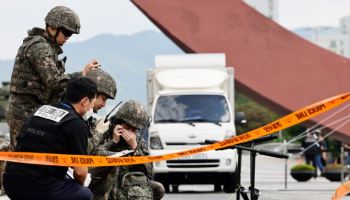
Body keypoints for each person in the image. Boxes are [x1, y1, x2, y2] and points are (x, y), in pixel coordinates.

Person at [6, 5, 100, 151]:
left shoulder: (47, 48)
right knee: (21, 154)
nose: (67, 38)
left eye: (71, 34)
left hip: (36, 110)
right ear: (53, 27)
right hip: (24, 110)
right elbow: (55, 81)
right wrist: (82, 74)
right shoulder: (40, 47)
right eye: (67, 32)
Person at [3, 77, 97, 200]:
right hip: (38, 187)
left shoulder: (41, 110)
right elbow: (80, 172)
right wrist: (78, 187)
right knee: (85, 194)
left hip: (11, 182)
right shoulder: (77, 124)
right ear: (85, 101)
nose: (91, 109)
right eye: (92, 104)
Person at [89, 100, 165, 200]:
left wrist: (135, 148)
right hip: (102, 184)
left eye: (134, 129)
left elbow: (150, 173)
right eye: (128, 126)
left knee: (158, 188)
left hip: (127, 185)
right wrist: (113, 142)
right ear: (120, 121)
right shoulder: (104, 131)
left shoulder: (137, 139)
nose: (130, 132)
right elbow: (91, 158)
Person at [85, 69, 117, 154]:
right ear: (92, 94)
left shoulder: (87, 119)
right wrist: (98, 132)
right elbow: (84, 153)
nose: (104, 105)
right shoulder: (75, 118)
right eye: (103, 99)